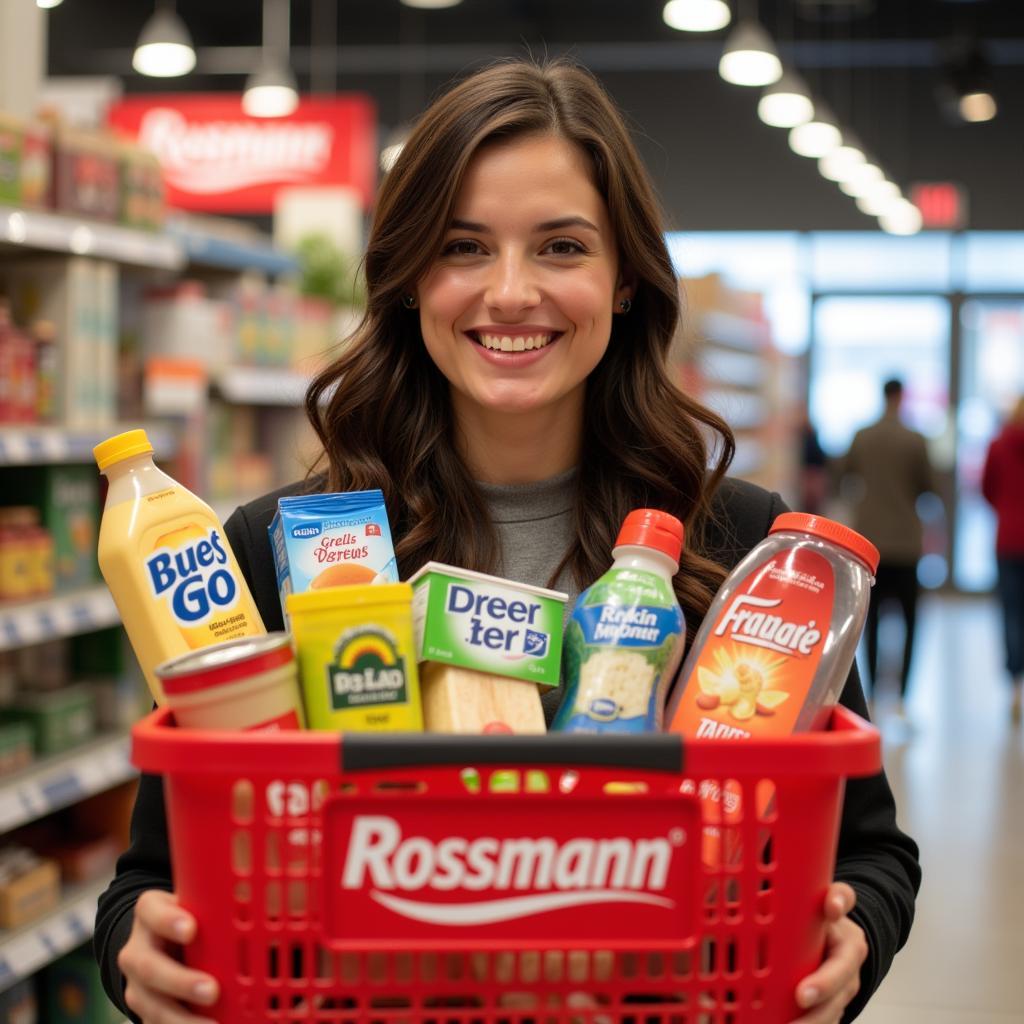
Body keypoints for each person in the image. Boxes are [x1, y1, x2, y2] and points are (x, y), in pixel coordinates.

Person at [94, 60, 919, 1024]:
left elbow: (870, 850)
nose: (512, 292)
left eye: (563, 246)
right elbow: (151, 875)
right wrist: (137, 952)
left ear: (623, 283)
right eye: (463, 247)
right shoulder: (279, 547)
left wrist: (855, 940)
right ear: (407, 280)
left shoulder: (740, 549)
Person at [840, 379, 935, 718]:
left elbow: (843, 475)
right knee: (910, 620)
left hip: (871, 543)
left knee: (873, 618)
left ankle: (875, 697)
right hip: (906, 542)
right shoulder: (916, 439)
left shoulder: (862, 436)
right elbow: (930, 487)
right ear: (902, 396)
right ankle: (903, 698)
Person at [981, 396, 1024, 724]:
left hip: (1008, 538)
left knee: (1011, 612)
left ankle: (1014, 686)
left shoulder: (998, 444)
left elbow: (986, 488)